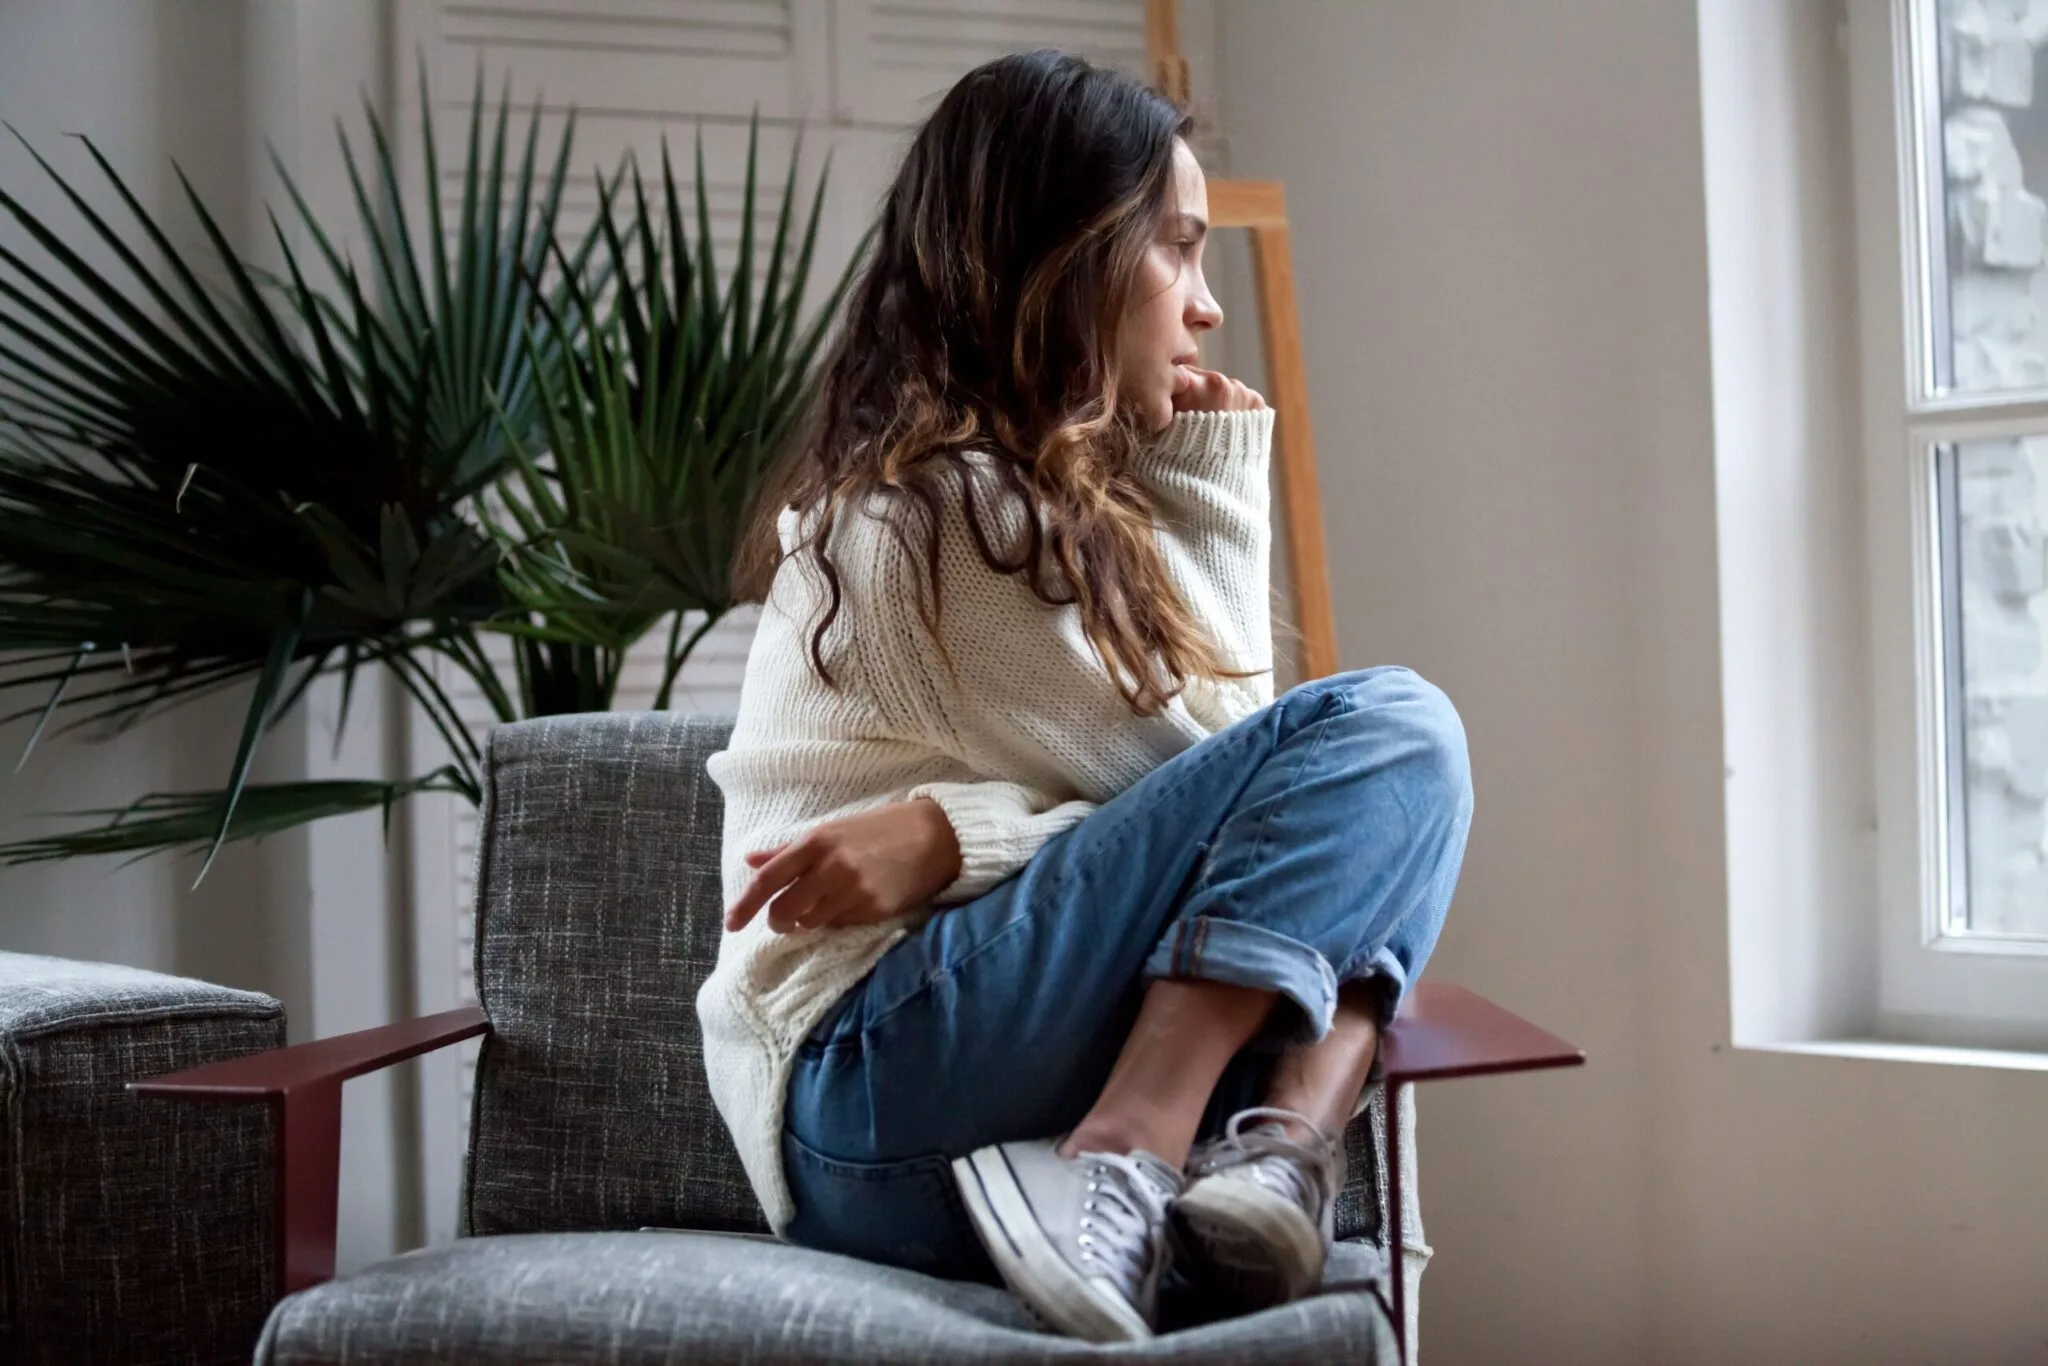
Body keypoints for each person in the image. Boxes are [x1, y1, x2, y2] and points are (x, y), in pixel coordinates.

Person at [698, 48, 1472, 1344]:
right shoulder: (940, 514)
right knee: (1398, 732)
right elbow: (1246, 776)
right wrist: (1219, 479)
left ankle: (1265, 1162)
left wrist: (957, 834)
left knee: (1360, 828)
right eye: (1177, 251)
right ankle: (1161, 1142)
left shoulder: (1029, 507)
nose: (1207, 309)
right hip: (873, 1080)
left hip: (930, 1104)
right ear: (1071, 259)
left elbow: (1243, 835)